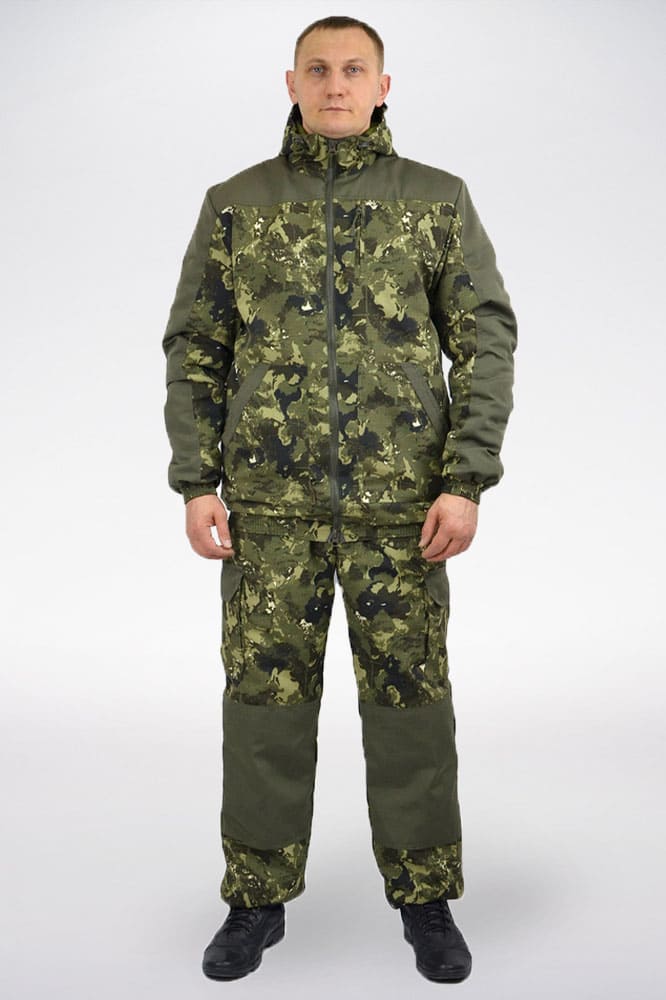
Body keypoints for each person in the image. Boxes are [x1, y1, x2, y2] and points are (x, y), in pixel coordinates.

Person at [162, 15, 516, 984]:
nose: (335, 84)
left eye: (354, 69)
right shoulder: (236, 205)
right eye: (317, 69)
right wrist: (196, 481)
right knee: (262, 710)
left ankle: (426, 897)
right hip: (268, 515)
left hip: (403, 514)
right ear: (291, 81)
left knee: (411, 708)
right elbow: (196, 347)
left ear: (383, 85)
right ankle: (256, 898)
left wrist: (464, 480)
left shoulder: (435, 201)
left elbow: (484, 341)